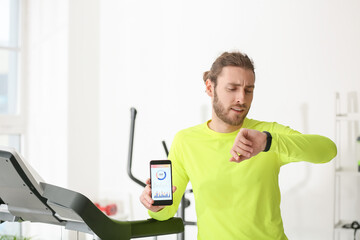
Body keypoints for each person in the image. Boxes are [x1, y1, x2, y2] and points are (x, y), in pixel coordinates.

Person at [140, 51, 337, 239]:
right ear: (210, 88)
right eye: (232, 88)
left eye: (248, 90)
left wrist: (269, 141)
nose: (242, 98)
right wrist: (155, 206)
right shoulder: (186, 141)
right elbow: (165, 212)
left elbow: (328, 150)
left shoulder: (266, 134)